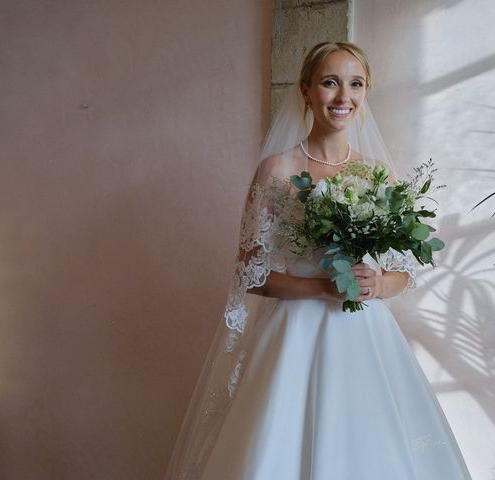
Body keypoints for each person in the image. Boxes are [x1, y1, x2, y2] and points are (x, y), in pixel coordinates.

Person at [163, 42, 473, 479]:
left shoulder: (378, 174)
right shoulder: (277, 171)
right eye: (330, 82)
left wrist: (378, 284)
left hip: (364, 333)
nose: (343, 96)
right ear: (306, 90)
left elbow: (406, 269)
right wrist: (324, 288)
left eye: (355, 84)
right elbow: (251, 275)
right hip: (294, 334)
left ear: (366, 92)